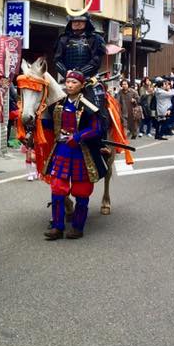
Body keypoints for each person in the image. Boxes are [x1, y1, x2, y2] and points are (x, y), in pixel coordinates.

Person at [41, 70, 108, 240]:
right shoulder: (57, 104)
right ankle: (57, 227)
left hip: (81, 152)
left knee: (81, 190)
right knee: (57, 187)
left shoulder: (88, 105)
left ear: (81, 86)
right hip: (62, 150)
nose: (69, 85)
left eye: (74, 83)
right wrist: (39, 117)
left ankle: (78, 227)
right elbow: (49, 125)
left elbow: (96, 128)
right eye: (68, 82)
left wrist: (77, 137)